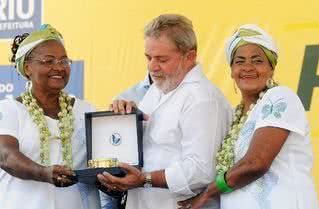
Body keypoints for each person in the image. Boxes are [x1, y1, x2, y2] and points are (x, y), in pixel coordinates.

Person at [97, 14, 232, 209]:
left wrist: (145, 179)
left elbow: (201, 170)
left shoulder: (202, 98)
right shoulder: (158, 89)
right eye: (148, 57)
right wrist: (127, 120)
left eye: (161, 59)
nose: (152, 67)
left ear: (190, 56)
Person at [178, 24, 319, 209]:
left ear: (271, 67)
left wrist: (208, 194)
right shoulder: (235, 117)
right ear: (231, 70)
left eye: (257, 60)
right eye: (240, 61)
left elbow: (256, 163)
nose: (248, 67)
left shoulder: (280, 97)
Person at [0, 24, 101, 209]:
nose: (59, 67)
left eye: (64, 61)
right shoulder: (9, 110)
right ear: (27, 67)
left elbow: (103, 158)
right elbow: (5, 156)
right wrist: (44, 173)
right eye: (49, 61)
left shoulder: (86, 110)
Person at [100, 73, 152, 209]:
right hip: (129, 199)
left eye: (162, 59)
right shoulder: (125, 99)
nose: (154, 65)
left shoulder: (199, 96)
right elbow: (112, 148)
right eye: (150, 58)